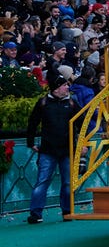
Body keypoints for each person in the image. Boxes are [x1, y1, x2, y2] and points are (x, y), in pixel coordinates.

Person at [26, 72, 83, 223]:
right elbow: (32, 122)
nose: (67, 87)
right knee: (42, 180)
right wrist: (30, 142)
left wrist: (82, 144)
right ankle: (36, 213)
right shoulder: (43, 102)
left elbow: (82, 123)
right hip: (48, 150)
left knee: (67, 182)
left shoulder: (72, 103)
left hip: (67, 149)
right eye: (64, 85)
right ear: (56, 88)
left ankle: (67, 211)